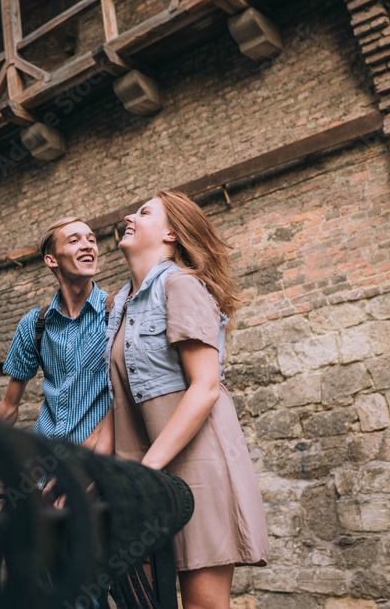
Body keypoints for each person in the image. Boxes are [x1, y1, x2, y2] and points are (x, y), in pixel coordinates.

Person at [105, 190, 268, 609]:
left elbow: (206, 386)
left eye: (144, 212)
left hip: (196, 464)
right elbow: (114, 402)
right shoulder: (117, 304)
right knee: (139, 602)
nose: (129, 214)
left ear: (172, 233)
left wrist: (147, 470)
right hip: (137, 471)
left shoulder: (182, 285)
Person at [0, 217, 114, 479]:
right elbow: (8, 407)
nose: (87, 246)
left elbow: (125, 401)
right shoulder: (34, 325)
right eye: (74, 240)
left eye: (91, 240)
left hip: (96, 469)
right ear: (52, 260)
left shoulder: (116, 313)